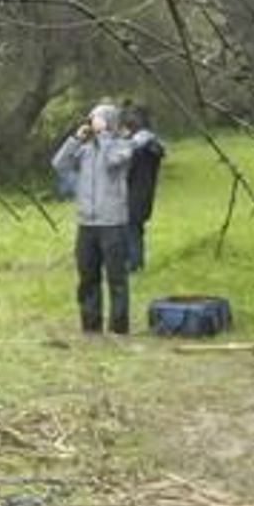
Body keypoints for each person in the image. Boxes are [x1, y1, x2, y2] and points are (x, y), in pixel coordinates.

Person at [51, 103, 134, 335]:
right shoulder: (84, 150)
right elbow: (58, 164)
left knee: (117, 279)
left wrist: (106, 135)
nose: (93, 123)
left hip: (113, 224)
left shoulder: (123, 146)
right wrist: (76, 139)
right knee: (88, 277)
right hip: (86, 224)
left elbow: (112, 163)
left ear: (110, 121)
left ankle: (119, 328)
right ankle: (91, 327)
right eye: (92, 119)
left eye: (98, 119)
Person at [120, 104, 165, 272]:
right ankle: (135, 264)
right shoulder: (153, 144)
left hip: (133, 195)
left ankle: (133, 265)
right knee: (135, 230)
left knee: (131, 231)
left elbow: (126, 169)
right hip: (145, 194)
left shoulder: (135, 147)